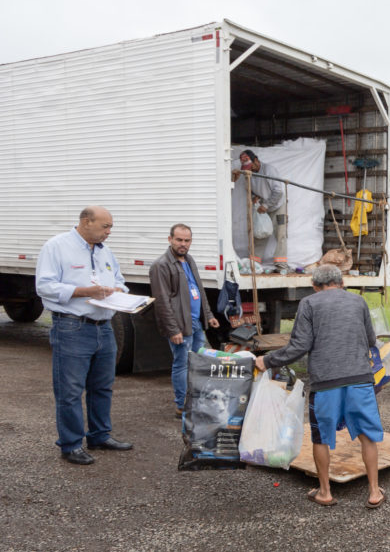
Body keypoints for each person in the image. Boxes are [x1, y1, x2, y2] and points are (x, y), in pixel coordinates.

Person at [255, 265, 386, 508]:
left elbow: (299, 346)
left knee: (321, 438)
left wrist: (268, 360)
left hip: (326, 383)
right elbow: (370, 339)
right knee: (367, 436)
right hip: (360, 379)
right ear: (342, 283)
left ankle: (325, 492)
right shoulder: (358, 302)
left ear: (315, 286)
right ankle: (374, 492)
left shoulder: (309, 303)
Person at [35, 206, 135, 465]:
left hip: (104, 327)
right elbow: (44, 286)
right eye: (105, 226)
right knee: (69, 391)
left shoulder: (105, 251)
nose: (109, 232)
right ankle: (71, 445)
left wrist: (118, 290)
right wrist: (85, 291)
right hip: (72, 327)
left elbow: (119, 280)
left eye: (110, 227)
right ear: (86, 221)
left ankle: (99, 436)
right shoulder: (57, 247)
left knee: (102, 386)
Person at [150, 224, 220, 416]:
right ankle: (181, 406)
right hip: (181, 325)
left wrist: (209, 315)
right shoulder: (161, 265)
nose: (183, 244)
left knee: (198, 363)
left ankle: (196, 400)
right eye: (179, 240)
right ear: (170, 239)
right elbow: (162, 301)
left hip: (196, 322)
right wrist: (173, 329)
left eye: (187, 240)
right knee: (182, 364)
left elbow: (199, 290)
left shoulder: (189, 260)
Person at [232, 149, 287, 271]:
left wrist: (266, 205)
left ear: (256, 160)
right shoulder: (249, 173)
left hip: (277, 207)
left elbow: (278, 191)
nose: (249, 169)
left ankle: (281, 266)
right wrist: (255, 197)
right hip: (262, 207)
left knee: (280, 234)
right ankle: (254, 265)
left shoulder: (269, 170)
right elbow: (250, 189)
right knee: (259, 234)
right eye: (247, 168)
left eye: (250, 166)